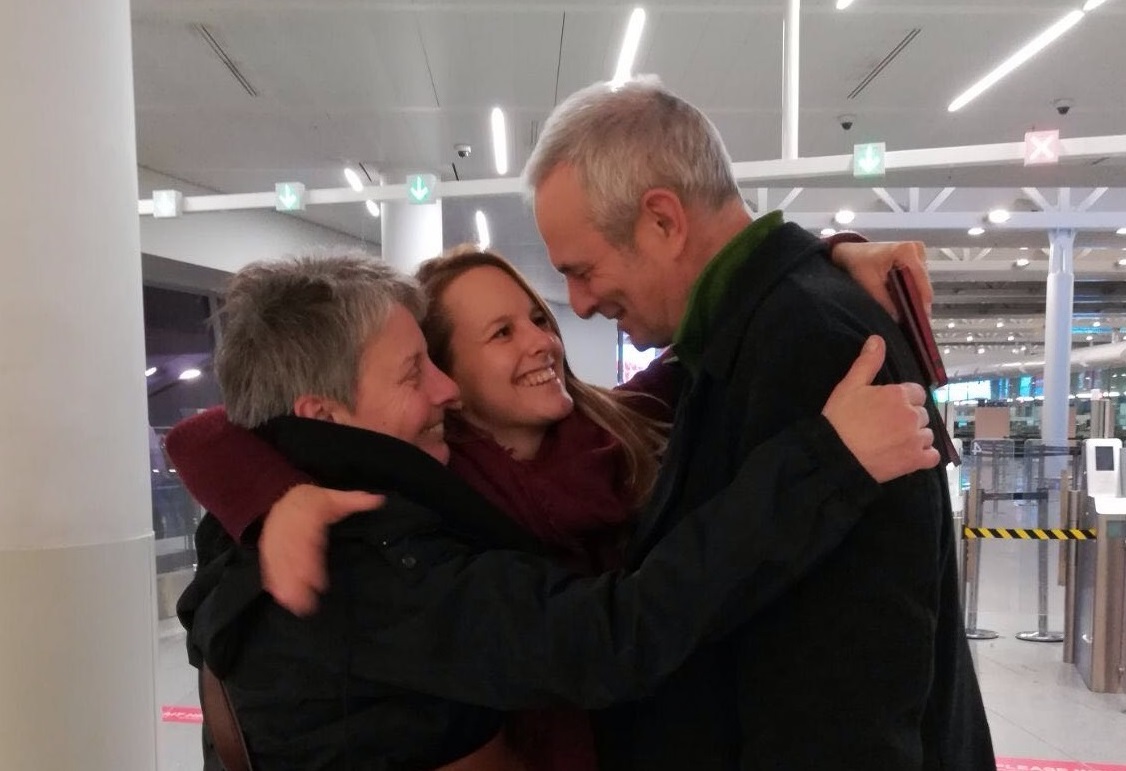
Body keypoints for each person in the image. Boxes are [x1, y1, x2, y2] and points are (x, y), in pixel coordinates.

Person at [176, 253, 934, 770]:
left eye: (536, 316)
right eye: (421, 371)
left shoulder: (597, 437)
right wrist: (829, 461)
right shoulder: (369, 554)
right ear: (323, 414)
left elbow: (698, 356)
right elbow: (613, 635)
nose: (440, 389)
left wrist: (808, 258)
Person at [520, 76, 995, 769]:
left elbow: (849, 682)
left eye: (583, 270)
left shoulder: (809, 341)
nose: (578, 303)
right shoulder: (757, 329)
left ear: (662, 220)